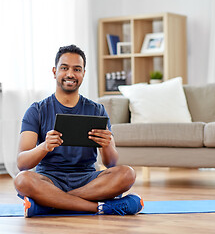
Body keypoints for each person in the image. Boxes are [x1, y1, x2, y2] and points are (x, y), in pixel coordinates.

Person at [14, 44, 143, 217]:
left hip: (88, 180)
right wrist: (44, 146)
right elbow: (22, 163)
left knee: (127, 174)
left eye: (77, 69)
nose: (70, 74)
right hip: (49, 180)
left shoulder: (97, 110)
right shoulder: (37, 110)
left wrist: (106, 146)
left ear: (83, 73)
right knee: (22, 180)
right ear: (54, 71)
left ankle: (49, 204)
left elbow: (111, 163)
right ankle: (101, 207)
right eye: (64, 68)